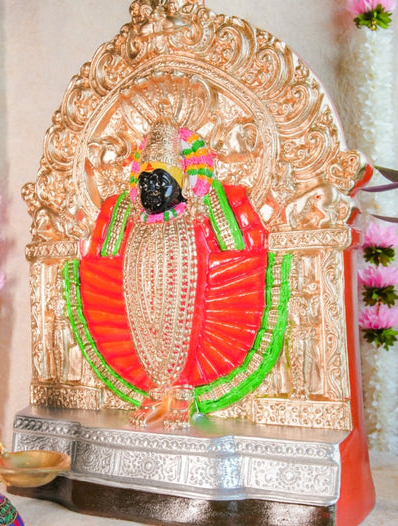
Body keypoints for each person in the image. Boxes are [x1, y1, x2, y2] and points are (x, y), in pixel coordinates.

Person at [66, 117, 273, 429]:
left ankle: (182, 392)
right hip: (142, 303)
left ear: (183, 184)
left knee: (188, 324)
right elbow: (101, 262)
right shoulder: (126, 218)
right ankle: (156, 390)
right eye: (145, 182)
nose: (151, 189)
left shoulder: (202, 216)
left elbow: (242, 252)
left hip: (190, 309)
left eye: (160, 181)